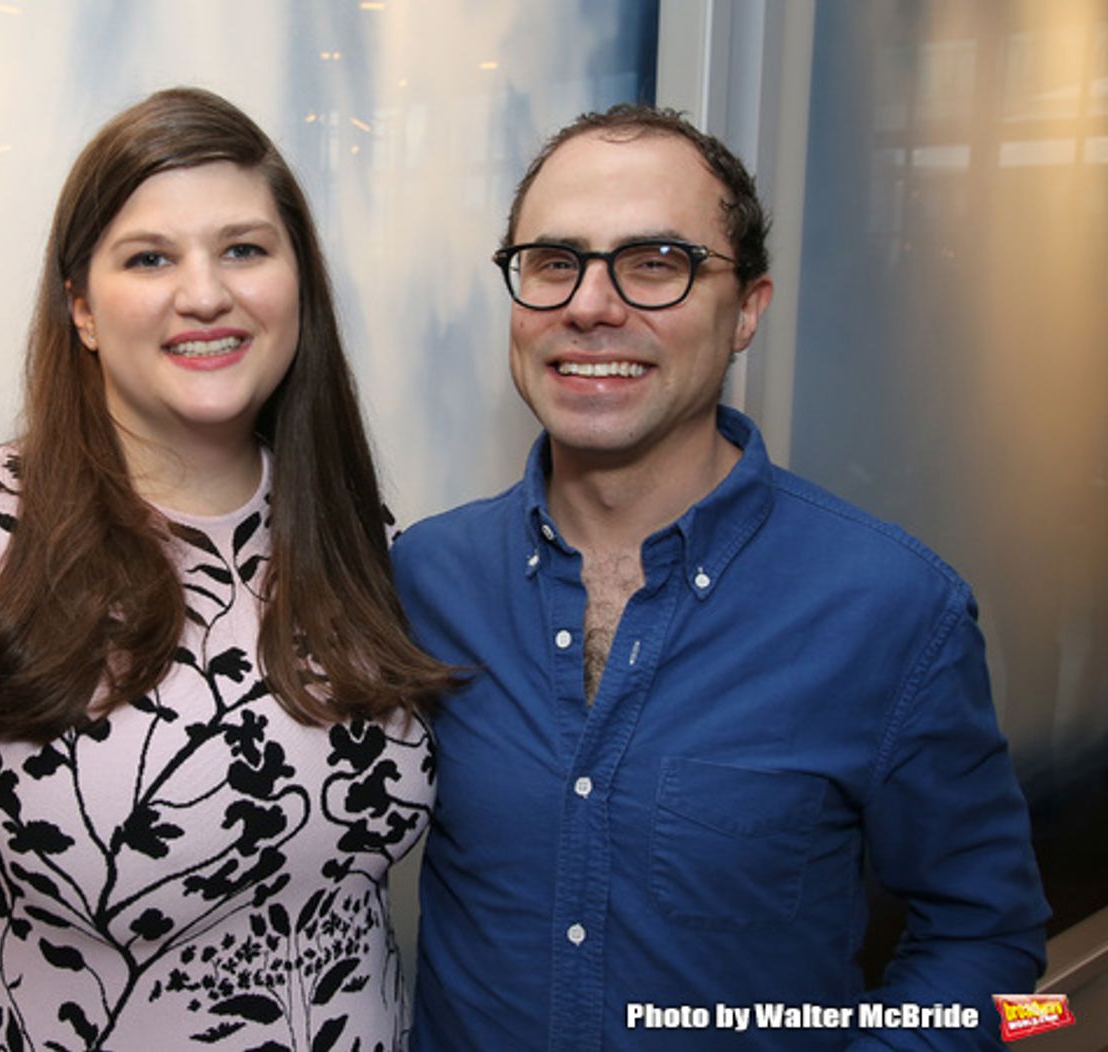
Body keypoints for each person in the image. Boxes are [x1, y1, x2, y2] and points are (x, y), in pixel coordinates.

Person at [0, 87, 455, 1052]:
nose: (205, 293)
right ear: (83, 309)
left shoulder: (360, 538)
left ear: (297, 282)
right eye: (150, 258)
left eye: (245, 249)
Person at [391, 104, 1049, 1050]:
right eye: (553, 261)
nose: (590, 305)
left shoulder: (894, 611)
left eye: (656, 263)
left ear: (747, 312)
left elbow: (992, 941)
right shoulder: (423, 579)